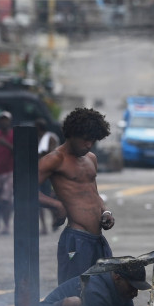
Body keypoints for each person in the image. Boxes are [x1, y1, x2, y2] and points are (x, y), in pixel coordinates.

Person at [39, 107, 114, 283]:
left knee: (104, 291)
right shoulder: (55, 159)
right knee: (73, 294)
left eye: (93, 141)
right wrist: (56, 205)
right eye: (86, 140)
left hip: (98, 240)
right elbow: (23, 190)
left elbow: (94, 194)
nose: (89, 145)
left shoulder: (91, 159)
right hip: (76, 239)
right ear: (72, 134)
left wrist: (106, 212)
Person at [36, 118, 60, 235]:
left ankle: (54, 220)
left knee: (49, 197)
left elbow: (51, 153)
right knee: (39, 199)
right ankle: (45, 225)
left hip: (49, 172)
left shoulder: (50, 138)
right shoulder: (38, 138)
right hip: (39, 171)